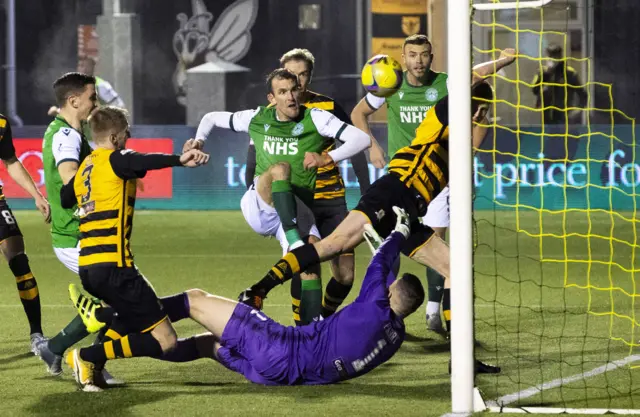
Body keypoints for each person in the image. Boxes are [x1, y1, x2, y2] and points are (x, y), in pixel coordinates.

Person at [239, 49, 517, 317]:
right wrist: (502, 62)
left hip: (409, 212)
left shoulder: (458, 145)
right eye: (480, 110)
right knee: (332, 246)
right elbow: (468, 79)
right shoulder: (440, 119)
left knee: (456, 269)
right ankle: (258, 290)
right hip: (393, 194)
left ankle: (459, 355)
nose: (482, 116)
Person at [74, 208, 426, 386]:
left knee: (193, 299)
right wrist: (389, 263)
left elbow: (381, 263)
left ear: (391, 294)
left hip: (277, 346)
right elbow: (389, 279)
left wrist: (400, 231)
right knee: (201, 346)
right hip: (277, 377)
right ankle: (95, 359)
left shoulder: (375, 306)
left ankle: (110, 323)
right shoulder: (392, 333)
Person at [184, 69, 370, 321]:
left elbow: (361, 139)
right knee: (280, 169)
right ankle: (294, 241)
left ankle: (309, 333)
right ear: (272, 98)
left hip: (294, 208)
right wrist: (199, 141)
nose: (291, 97)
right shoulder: (257, 118)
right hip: (261, 204)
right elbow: (211, 118)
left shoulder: (316, 118)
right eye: (283, 92)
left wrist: (327, 157)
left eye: (294, 90)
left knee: (311, 264)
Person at [60, 106, 209, 392]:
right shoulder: (117, 158)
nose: (129, 137)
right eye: (127, 132)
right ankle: (86, 356)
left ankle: (94, 364)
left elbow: (66, 198)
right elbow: (144, 159)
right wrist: (180, 159)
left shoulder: (86, 168)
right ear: (115, 137)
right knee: (166, 341)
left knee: (126, 318)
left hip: (89, 267)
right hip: (114, 266)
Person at [245, 48, 370, 323]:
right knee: (304, 261)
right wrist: (252, 193)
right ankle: (305, 327)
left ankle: (322, 316)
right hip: (299, 200)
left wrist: (366, 191)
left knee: (345, 275)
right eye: (292, 75)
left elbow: (356, 147)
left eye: (303, 75)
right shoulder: (268, 114)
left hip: (332, 200)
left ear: (310, 77)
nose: (298, 82)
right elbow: (252, 159)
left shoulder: (327, 107)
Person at [351, 34, 453, 333]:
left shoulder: (445, 84)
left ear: (431, 57)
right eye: (412, 55)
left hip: (435, 178)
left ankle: (434, 313)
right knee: (389, 249)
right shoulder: (391, 84)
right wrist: (371, 145)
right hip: (399, 178)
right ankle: (384, 313)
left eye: (423, 54)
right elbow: (359, 113)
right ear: (404, 58)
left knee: (436, 242)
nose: (418, 60)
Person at [38, 72, 110, 378]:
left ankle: (55, 349)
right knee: (118, 298)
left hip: (80, 233)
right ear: (74, 100)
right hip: (75, 236)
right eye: (92, 97)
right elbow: (70, 179)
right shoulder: (65, 137)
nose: (96, 102)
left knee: (114, 299)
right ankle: (90, 362)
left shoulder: (67, 132)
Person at [0, 114, 51, 353]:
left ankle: (37, 334)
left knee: (20, 262)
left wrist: (36, 195)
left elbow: (10, 161)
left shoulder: (0, 123)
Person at [47, 56, 125, 116]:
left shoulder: (101, 85)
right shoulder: (75, 88)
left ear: (92, 68)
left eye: (86, 66)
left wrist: (100, 114)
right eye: (80, 66)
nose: (82, 69)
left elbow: (120, 107)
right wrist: (57, 111)